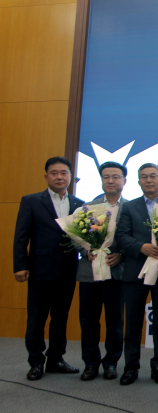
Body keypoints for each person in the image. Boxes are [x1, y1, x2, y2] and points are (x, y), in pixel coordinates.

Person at [13, 156, 84, 381]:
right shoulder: (31, 201)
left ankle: (56, 359)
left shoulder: (79, 204)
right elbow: (21, 236)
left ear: (70, 177)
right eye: (54, 173)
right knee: (37, 318)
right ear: (46, 177)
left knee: (60, 317)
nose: (59, 177)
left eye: (64, 173)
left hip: (68, 269)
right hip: (40, 269)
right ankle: (36, 362)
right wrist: (20, 265)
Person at [114, 163, 158, 386]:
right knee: (132, 323)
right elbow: (122, 235)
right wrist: (141, 247)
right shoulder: (129, 207)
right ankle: (131, 367)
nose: (148, 180)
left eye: (153, 176)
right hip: (135, 272)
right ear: (139, 181)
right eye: (144, 177)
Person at [78, 161, 128, 381]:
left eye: (115, 177)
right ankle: (90, 364)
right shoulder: (87, 207)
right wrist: (85, 250)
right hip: (89, 273)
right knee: (88, 320)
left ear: (124, 181)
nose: (110, 180)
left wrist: (121, 255)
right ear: (101, 180)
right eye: (106, 177)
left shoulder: (131, 208)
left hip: (116, 272)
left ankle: (111, 363)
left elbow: (135, 238)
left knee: (115, 321)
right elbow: (76, 237)